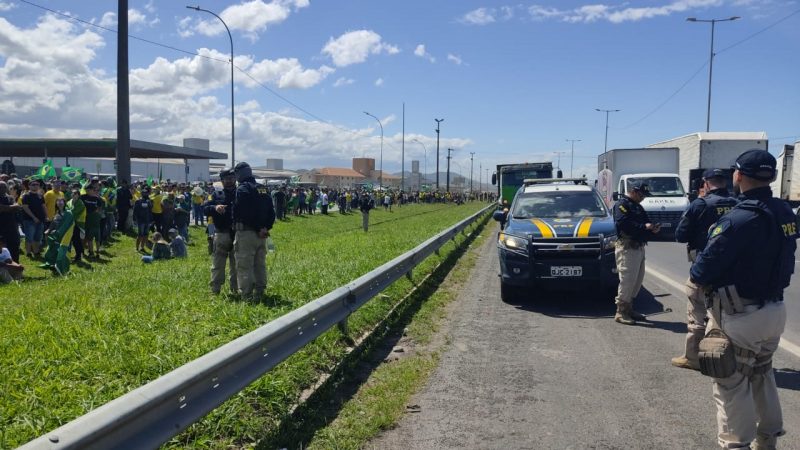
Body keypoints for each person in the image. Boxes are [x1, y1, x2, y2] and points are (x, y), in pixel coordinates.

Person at [690, 150, 798, 450]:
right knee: (762, 374)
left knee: (731, 384)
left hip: (740, 315)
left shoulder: (739, 219)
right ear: (774, 177)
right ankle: (768, 439)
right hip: (774, 311)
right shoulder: (785, 212)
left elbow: (702, 269)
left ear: (738, 176)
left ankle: (735, 444)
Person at [672, 168, 738, 370]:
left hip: (704, 267)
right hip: (732, 270)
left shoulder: (700, 205)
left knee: (697, 314)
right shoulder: (738, 204)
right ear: (725, 182)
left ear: (706, 183)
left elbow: (681, 235)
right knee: (725, 315)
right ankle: (726, 356)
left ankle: (693, 357)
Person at [612, 180, 660, 325]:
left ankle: (629, 308)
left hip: (639, 247)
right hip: (627, 247)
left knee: (637, 281)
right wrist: (643, 226)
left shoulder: (638, 206)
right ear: (633, 191)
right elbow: (623, 224)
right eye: (641, 194)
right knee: (627, 281)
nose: (643, 197)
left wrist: (652, 229)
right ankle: (621, 312)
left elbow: (645, 223)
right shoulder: (622, 205)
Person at [232, 162, 275, 299]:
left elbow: (244, 212)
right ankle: (260, 291)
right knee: (259, 264)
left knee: (245, 264)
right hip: (262, 234)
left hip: (247, 232)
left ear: (239, 174)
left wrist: (257, 227)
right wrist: (265, 228)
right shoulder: (262, 189)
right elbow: (271, 211)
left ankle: (247, 294)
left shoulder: (243, 189)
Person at [205, 168, 238, 294]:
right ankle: (215, 289)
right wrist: (215, 207)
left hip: (237, 232)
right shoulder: (215, 194)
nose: (229, 181)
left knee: (236, 265)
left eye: (232, 178)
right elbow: (205, 209)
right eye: (226, 178)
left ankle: (235, 289)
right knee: (218, 263)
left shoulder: (240, 193)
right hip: (221, 232)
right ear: (222, 180)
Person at [20, 179, 47, 258]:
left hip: (40, 220)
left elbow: (43, 206)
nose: (35, 186)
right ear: (29, 186)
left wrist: (46, 216)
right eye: (33, 185)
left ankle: (36, 251)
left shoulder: (40, 196)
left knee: (38, 237)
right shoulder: (26, 196)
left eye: (37, 184)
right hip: (29, 220)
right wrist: (34, 217)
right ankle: (28, 252)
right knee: (29, 237)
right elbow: (25, 208)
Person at [0, 181, 22, 263]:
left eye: (4, 187)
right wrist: (11, 208)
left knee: (14, 247)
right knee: (2, 249)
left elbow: (17, 206)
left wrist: (5, 208)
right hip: (1, 228)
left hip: (12, 227)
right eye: (0, 187)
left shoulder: (10, 198)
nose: (2, 189)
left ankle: (15, 267)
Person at [68, 188, 86, 263]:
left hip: (77, 224)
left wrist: (67, 215)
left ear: (79, 195)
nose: (74, 195)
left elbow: (74, 213)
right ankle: (71, 255)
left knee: (76, 241)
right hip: (70, 224)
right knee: (71, 240)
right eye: (73, 193)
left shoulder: (80, 203)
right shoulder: (69, 202)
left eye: (76, 193)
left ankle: (78, 256)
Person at [133, 188, 153, 253]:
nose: (145, 194)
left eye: (146, 193)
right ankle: (137, 248)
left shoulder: (148, 201)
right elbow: (135, 211)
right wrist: (135, 220)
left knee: (146, 235)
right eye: (144, 193)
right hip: (140, 221)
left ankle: (142, 247)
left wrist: (151, 220)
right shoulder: (138, 201)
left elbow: (150, 211)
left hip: (147, 220)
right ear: (141, 194)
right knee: (140, 235)